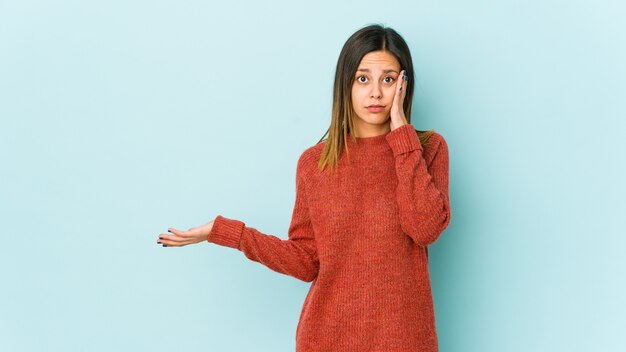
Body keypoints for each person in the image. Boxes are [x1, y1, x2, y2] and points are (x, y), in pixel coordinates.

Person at [156, 23, 451, 352]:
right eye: (363, 78)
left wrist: (402, 139)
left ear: (404, 85)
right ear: (346, 84)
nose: (376, 93)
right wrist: (227, 233)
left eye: (388, 79)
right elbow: (306, 261)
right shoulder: (315, 163)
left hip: (405, 340)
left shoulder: (427, 149)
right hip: (328, 338)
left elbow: (424, 228)